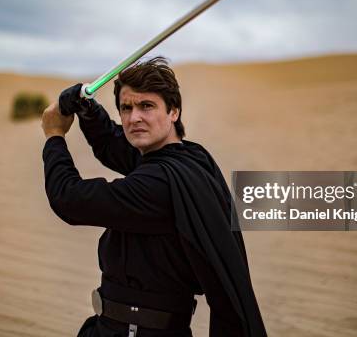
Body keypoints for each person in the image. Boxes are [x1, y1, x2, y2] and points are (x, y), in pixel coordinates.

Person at [41, 56, 266, 336]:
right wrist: (87, 108)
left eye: (147, 106)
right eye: (126, 108)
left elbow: (69, 199)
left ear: (174, 111)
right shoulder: (191, 160)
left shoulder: (158, 185)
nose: (134, 117)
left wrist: (54, 136)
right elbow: (114, 145)